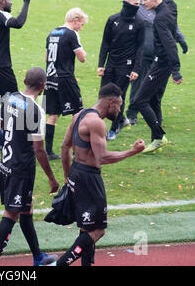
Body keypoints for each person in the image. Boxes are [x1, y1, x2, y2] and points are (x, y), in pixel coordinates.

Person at [53, 83, 145, 266]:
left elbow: (65, 147)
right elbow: (102, 157)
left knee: (86, 226)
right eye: (119, 106)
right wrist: (132, 151)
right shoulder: (97, 123)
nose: (119, 110)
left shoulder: (80, 115)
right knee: (98, 230)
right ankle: (59, 264)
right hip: (89, 178)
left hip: (76, 172)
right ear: (111, 102)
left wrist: (67, 176)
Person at [0, 67, 60, 266]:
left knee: (26, 208)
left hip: (6, 166)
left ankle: (38, 257)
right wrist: (52, 178)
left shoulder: (10, 99)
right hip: (21, 170)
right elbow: (39, 150)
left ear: (25, 80)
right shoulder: (36, 110)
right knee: (11, 213)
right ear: (43, 86)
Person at [125, 0, 188, 126]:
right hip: (145, 53)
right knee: (138, 84)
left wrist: (181, 39)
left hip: (161, 56)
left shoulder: (166, 10)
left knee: (158, 89)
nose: (142, 1)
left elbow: (173, 27)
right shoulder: (139, 10)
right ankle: (132, 113)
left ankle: (155, 118)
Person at [97, 0, 145, 140]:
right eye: (136, 4)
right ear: (126, 3)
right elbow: (105, 43)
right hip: (111, 63)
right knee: (104, 95)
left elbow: (140, 48)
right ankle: (120, 120)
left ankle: (114, 128)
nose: (139, 7)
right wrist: (101, 65)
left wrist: (136, 69)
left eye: (139, 4)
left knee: (118, 96)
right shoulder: (113, 19)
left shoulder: (139, 22)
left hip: (127, 65)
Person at [44, 8, 88, 160]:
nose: (81, 28)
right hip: (65, 78)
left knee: (53, 115)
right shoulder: (72, 33)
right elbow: (82, 58)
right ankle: (78, 150)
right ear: (75, 20)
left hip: (50, 78)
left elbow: (46, 58)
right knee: (78, 113)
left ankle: (48, 151)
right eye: (81, 24)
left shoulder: (52, 33)